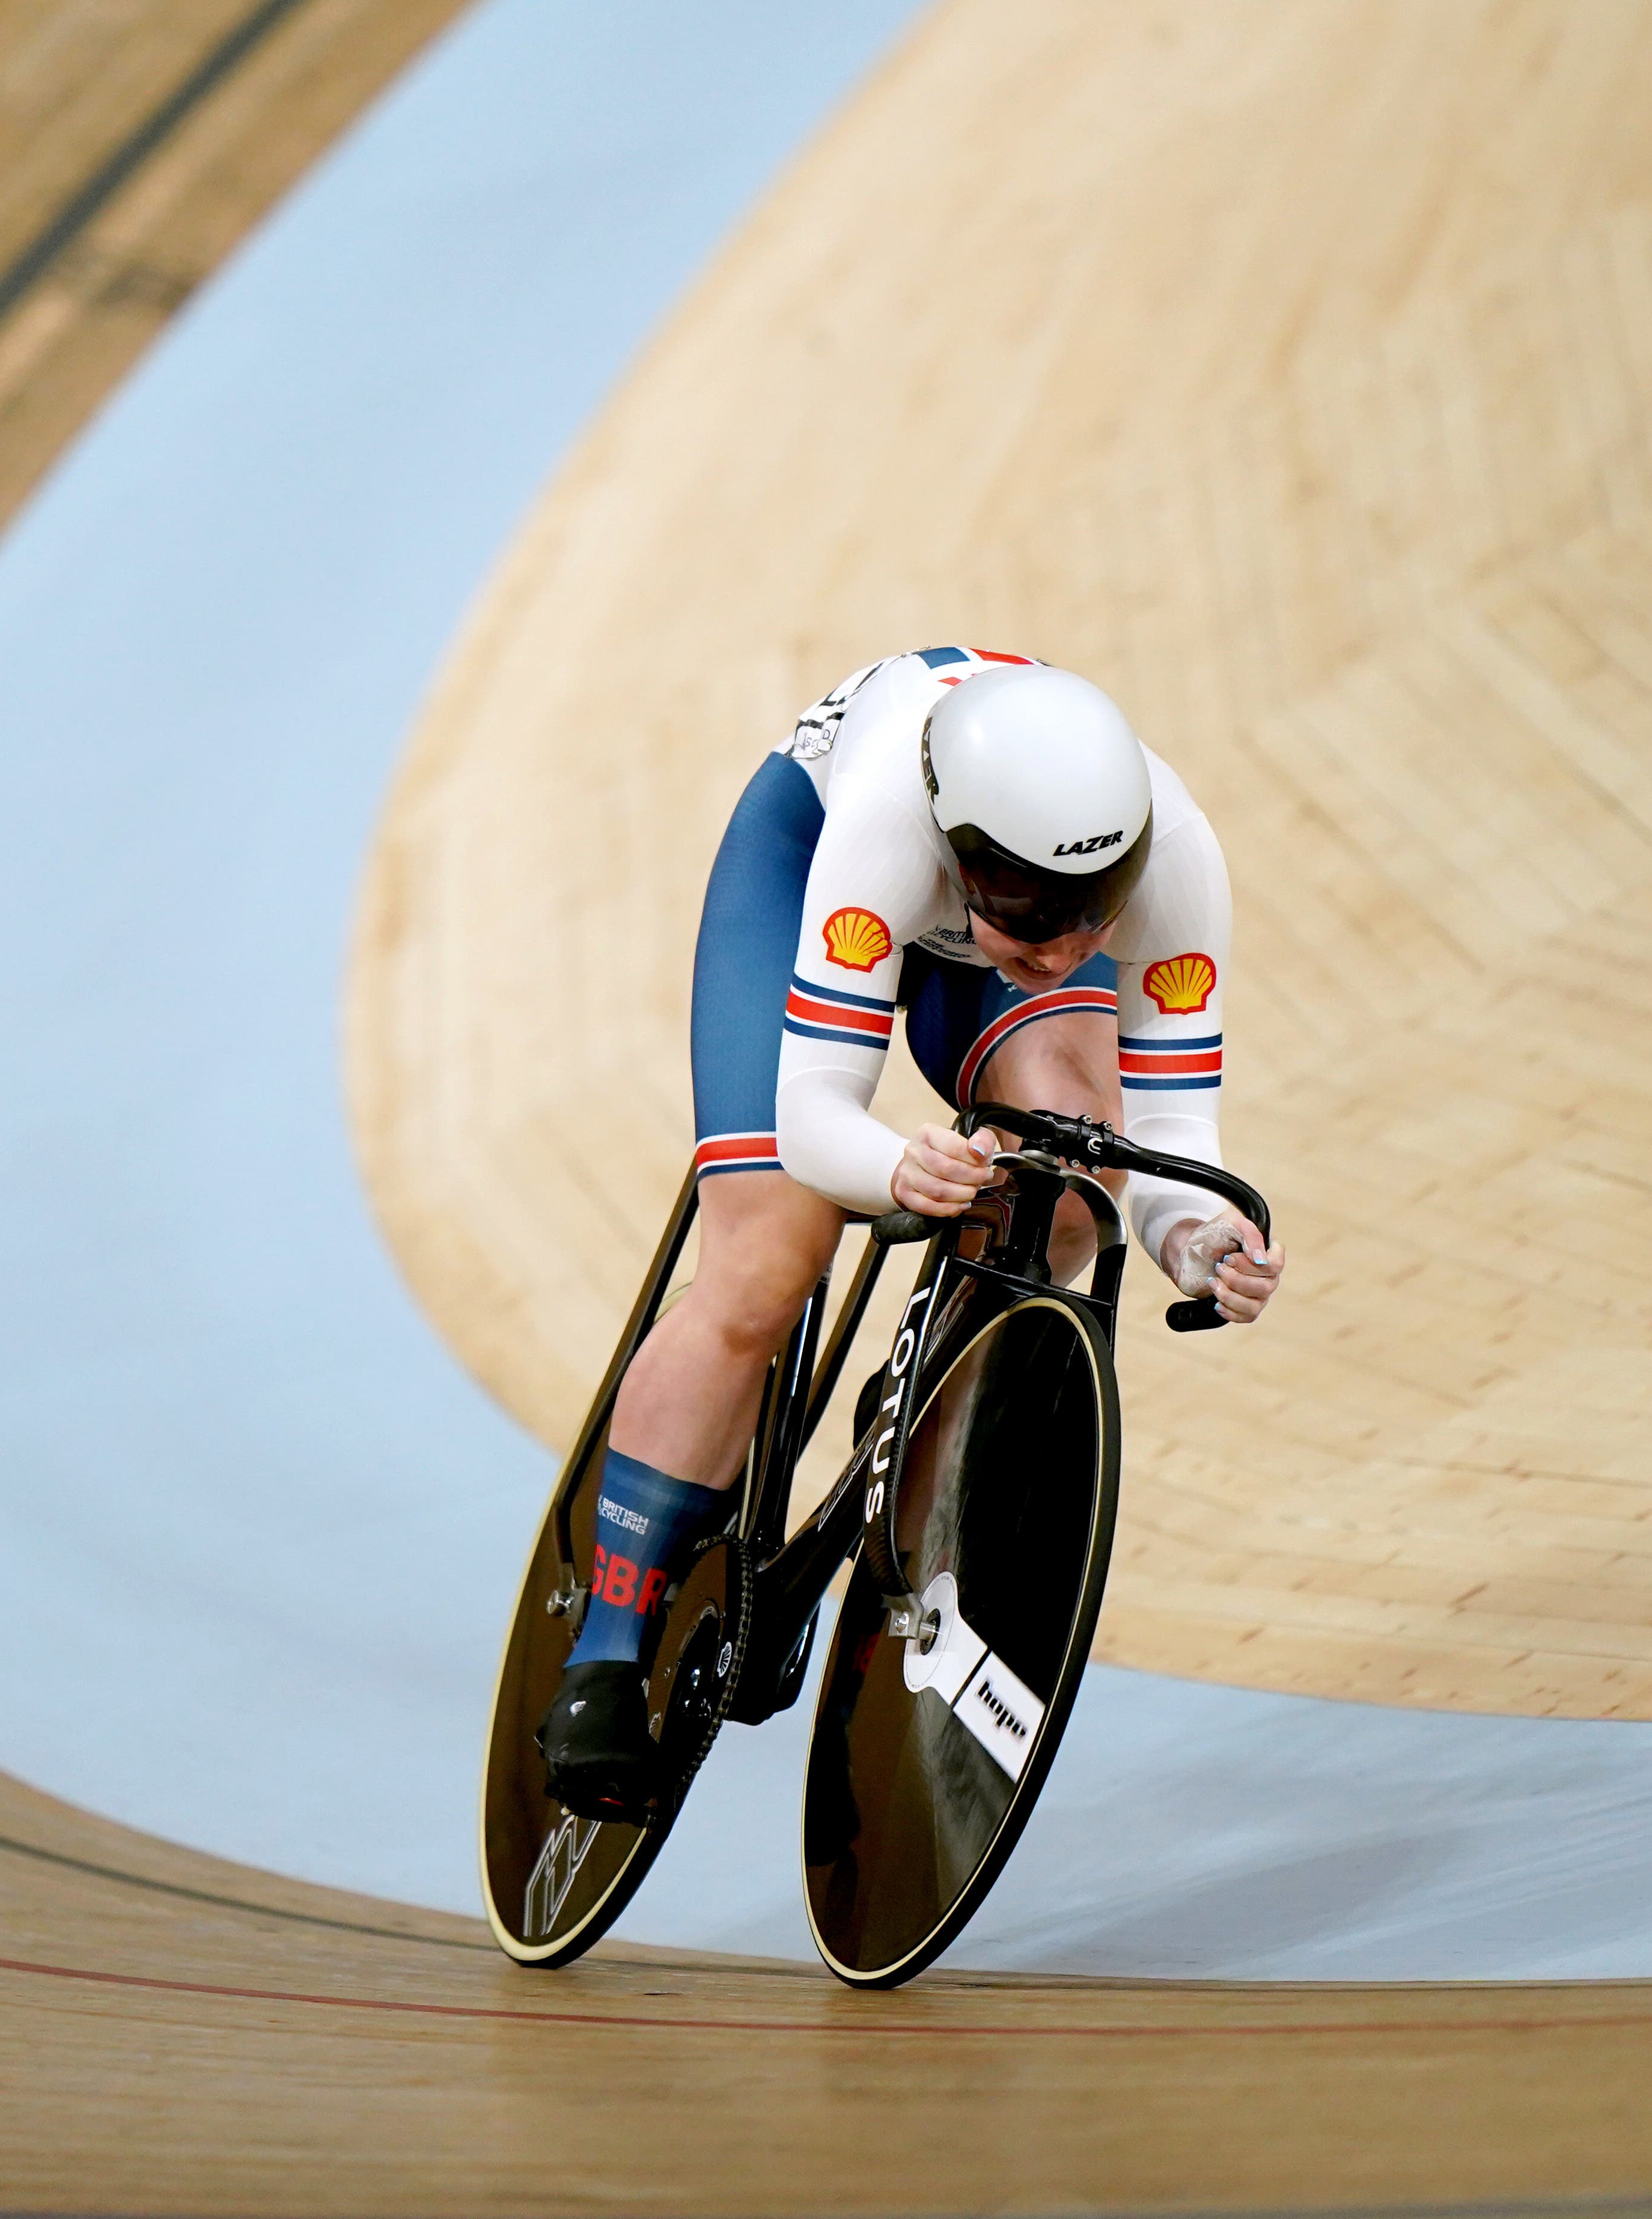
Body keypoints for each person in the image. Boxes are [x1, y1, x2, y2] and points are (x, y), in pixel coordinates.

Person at [541, 649, 1286, 1815]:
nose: (1066, 943)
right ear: (960, 853)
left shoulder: (1177, 861)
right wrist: (899, 1161)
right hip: (805, 868)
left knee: (1078, 1154)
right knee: (769, 1260)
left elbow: (1173, 1129)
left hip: (960, 948)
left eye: (1092, 914)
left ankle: (931, 1400)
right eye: (1035, 912)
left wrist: (1195, 1239)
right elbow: (813, 1118)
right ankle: (604, 1646)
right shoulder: (889, 815)